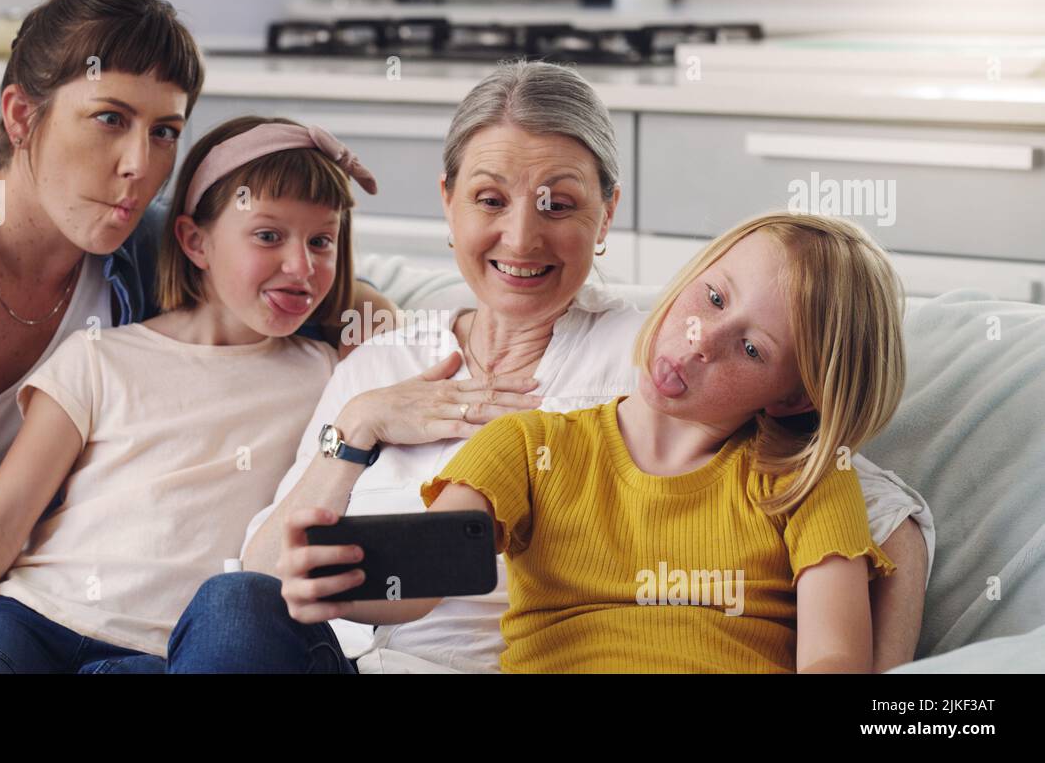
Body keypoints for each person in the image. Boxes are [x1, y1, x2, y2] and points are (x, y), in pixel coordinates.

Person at [165, 60, 934, 674]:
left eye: (559, 204)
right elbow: (270, 582)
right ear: (448, 202)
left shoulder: (650, 359)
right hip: (357, 660)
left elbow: (879, 510)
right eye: (490, 198)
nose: (522, 237)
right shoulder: (385, 362)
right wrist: (355, 432)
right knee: (228, 610)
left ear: (608, 211)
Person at [298, 213, 906, 673]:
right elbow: (428, 571)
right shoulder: (529, 445)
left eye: (752, 349)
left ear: (794, 398)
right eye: (714, 298)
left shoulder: (806, 484)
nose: (700, 340)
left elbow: (834, 663)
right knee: (238, 600)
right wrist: (335, 576)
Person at [0, 115, 372, 673]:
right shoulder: (99, 358)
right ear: (195, 240)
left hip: (168, 649)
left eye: (322, 241)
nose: (301, 266)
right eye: (267, 235)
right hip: (28, 619)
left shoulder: (329, 377)